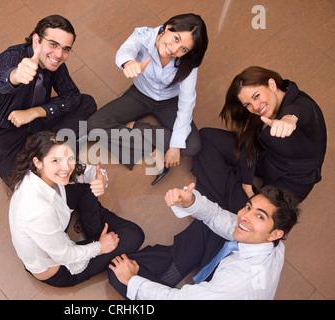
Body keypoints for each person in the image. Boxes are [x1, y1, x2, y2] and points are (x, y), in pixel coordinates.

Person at [107, 182, 300, 300]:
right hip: (222, 285)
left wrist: (132, 280)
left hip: (221, 292)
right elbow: (218, 217)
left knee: (119, 275)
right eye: (248, 207)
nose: (244, 216)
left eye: (259, 217)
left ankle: (161, 280)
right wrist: (190, 202)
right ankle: (171, 271)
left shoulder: (238, 281)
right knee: (211, 225)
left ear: (275, 233)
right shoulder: (272, 243)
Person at [7, 131, 144, 287]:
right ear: (38, 162)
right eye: (56, 160)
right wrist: (100, 247)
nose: (66, 167)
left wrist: (100, 180)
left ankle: (95, 229)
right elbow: (64, 255)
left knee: (85, 181)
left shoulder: (37, 173)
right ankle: (97, 231)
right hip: (59, 266)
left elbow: (88, 171)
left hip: (54, 227)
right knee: (134, 235)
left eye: (70, 158)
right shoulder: (38, 211)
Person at [87, 14, 208, 185]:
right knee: (94, 124)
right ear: (168, 26)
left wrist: (174, 148)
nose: (174, 49)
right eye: (175, 38)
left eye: (183, 49)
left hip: (169, 102)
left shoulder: (189, 63)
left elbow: (187, 104)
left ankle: (137, 128)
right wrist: (129, 63)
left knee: (193, 145)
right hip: (140, 95)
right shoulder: (144, 36)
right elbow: (126, 50)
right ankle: (150, 148)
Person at [0, 15, 97, 182]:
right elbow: (2, 80)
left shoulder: (53, 62)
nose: (59, 54)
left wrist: (35, 112)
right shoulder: (12, 59)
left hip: (33, 117)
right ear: (36, 40)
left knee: (86, 103)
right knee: (19, 181)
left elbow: (72, 96)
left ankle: (47, 148)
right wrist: (16, 76)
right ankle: (51, 153)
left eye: (66, 49)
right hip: (2, 130)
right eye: (53, 44)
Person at [192, 66, 327, 212]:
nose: (255, 106)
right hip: (267, 158)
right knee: (206, 137)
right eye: (247, 104)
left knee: (257, 217)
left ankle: (226, 192)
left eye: (256, 96)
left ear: (272, 84)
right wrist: (247, 183)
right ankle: (232, 191)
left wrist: (289, 120)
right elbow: (250, 143)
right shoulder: (262, 111)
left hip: (291, 180)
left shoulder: (301, 104)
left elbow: (298, 112)